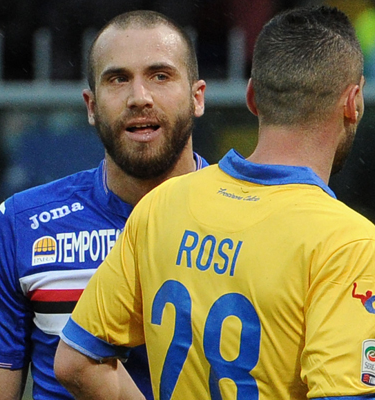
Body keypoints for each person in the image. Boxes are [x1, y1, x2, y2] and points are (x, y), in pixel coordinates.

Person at [55, 6, 375, 400]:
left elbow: (74, 362)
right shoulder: (349, 243)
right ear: (353, 102)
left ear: (252, 97)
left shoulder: (162, 204)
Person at [0, 10, 208, 400]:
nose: (140, 97)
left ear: (197, 97)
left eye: (160, 76)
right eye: (118, 79)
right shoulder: (21, 226)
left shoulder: (257, 219)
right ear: (91, 105)